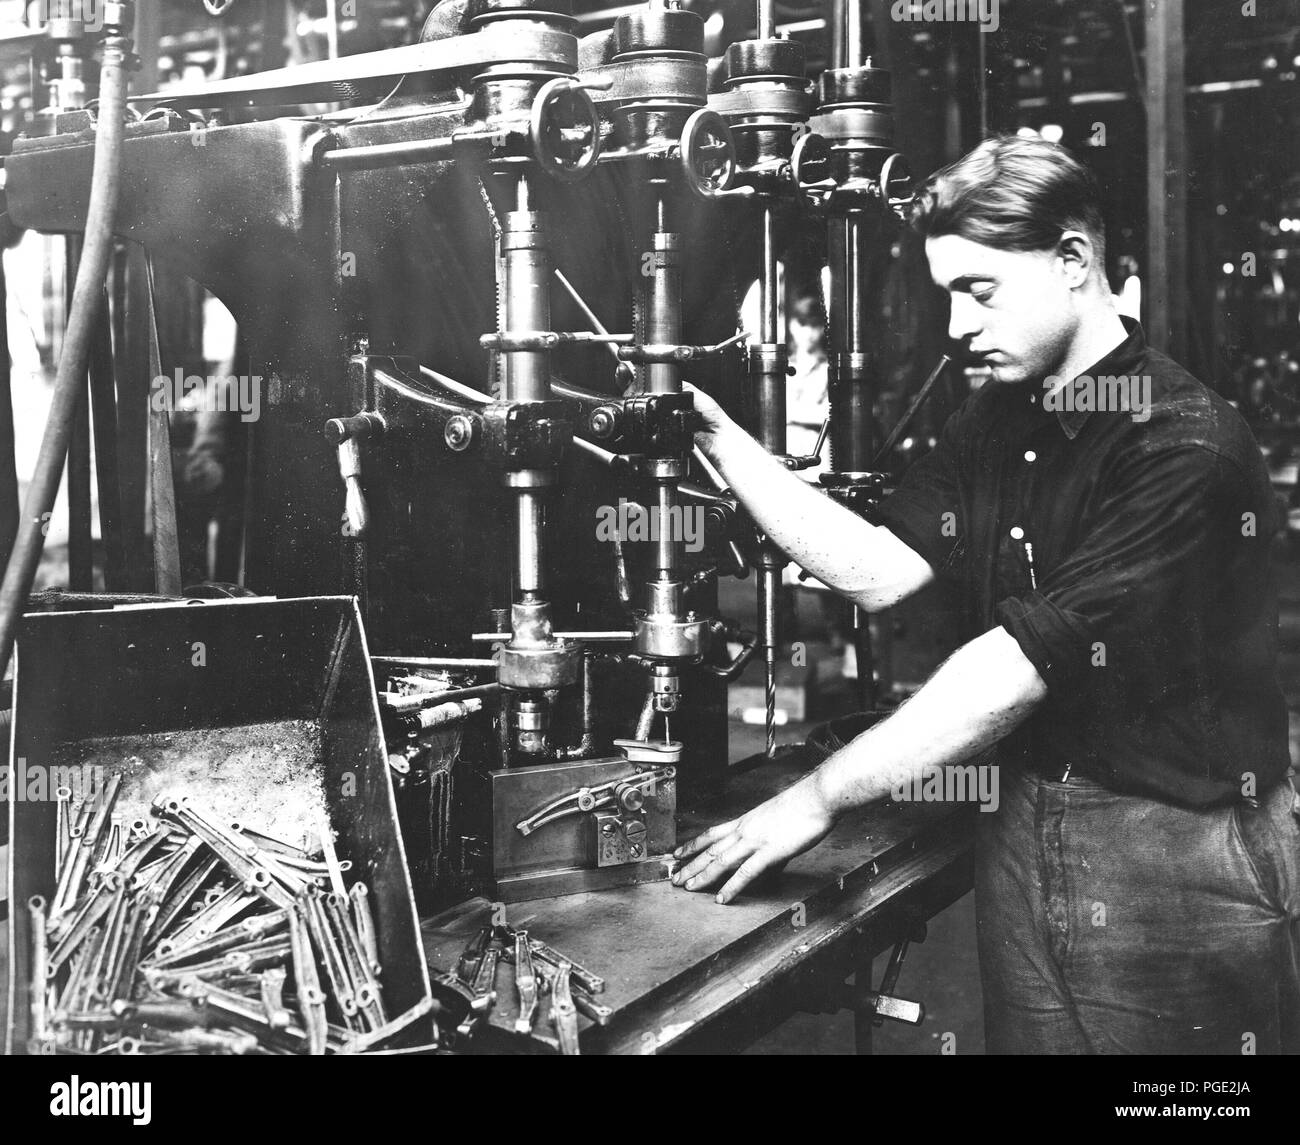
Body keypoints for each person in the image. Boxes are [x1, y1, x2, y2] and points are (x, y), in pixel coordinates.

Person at [672, 134, 1300, 1054]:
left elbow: (1016, 669)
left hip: (1175, 855)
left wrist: (816, 797)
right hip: (1022, 824)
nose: (959, 326)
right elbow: (879, 568)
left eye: (980, 291)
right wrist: (723, 444)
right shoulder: (999, 416)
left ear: (1074, 262)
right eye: (948, 296)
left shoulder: (1181, 443)